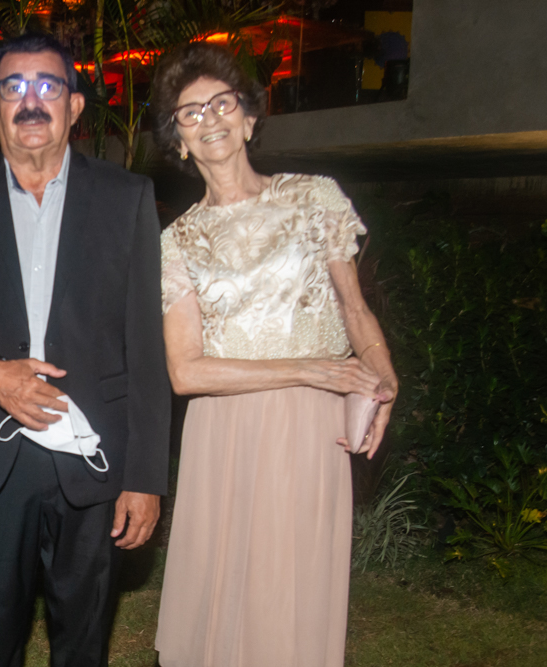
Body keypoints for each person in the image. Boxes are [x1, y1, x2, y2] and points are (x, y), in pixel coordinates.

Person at [0, 32, 170, 667]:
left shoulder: (127, 198)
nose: (30, 100)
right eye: (12, 87)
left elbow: (146, 347)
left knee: (84, 644)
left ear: (74, 106)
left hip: (96, 457)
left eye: (48, 85)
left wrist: (144, 477)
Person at [151, 43, 398, 667]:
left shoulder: (316, 198)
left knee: (293, 589)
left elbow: (354, 309)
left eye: (221, 103)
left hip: (311, 426)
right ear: (179, 142)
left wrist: (380, 371)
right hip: (226, 425)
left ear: (249, 118)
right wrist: (309, 368)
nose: (209, 119)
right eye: (189, 113)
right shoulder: (175, 241)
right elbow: (185, 372)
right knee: (227, 590)